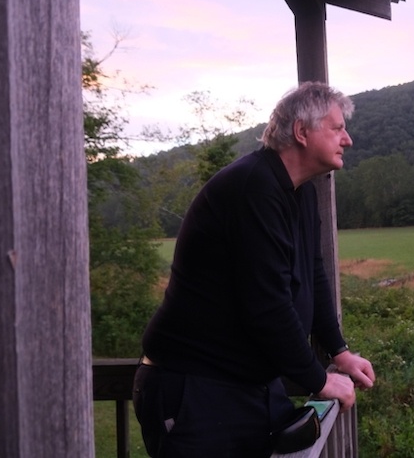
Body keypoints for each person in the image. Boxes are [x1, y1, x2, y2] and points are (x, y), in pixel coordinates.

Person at [132, 81, 375, 457]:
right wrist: (318, 381)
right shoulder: (253, 187)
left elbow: (313, 275)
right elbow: (267, 305)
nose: (348, 139)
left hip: (249, 386)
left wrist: (339, 351)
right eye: (337, 127)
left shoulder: (300, 193)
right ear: (301, 132)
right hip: (195, 389)